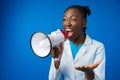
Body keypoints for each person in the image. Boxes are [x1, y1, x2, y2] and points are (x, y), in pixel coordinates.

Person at [49, 5, 105, 80]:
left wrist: (90, 74)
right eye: (64, 19)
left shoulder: (98, 47)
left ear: (84, 23)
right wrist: (57, 60)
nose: (67, 24)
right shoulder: (60, 46)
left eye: (73, 19)